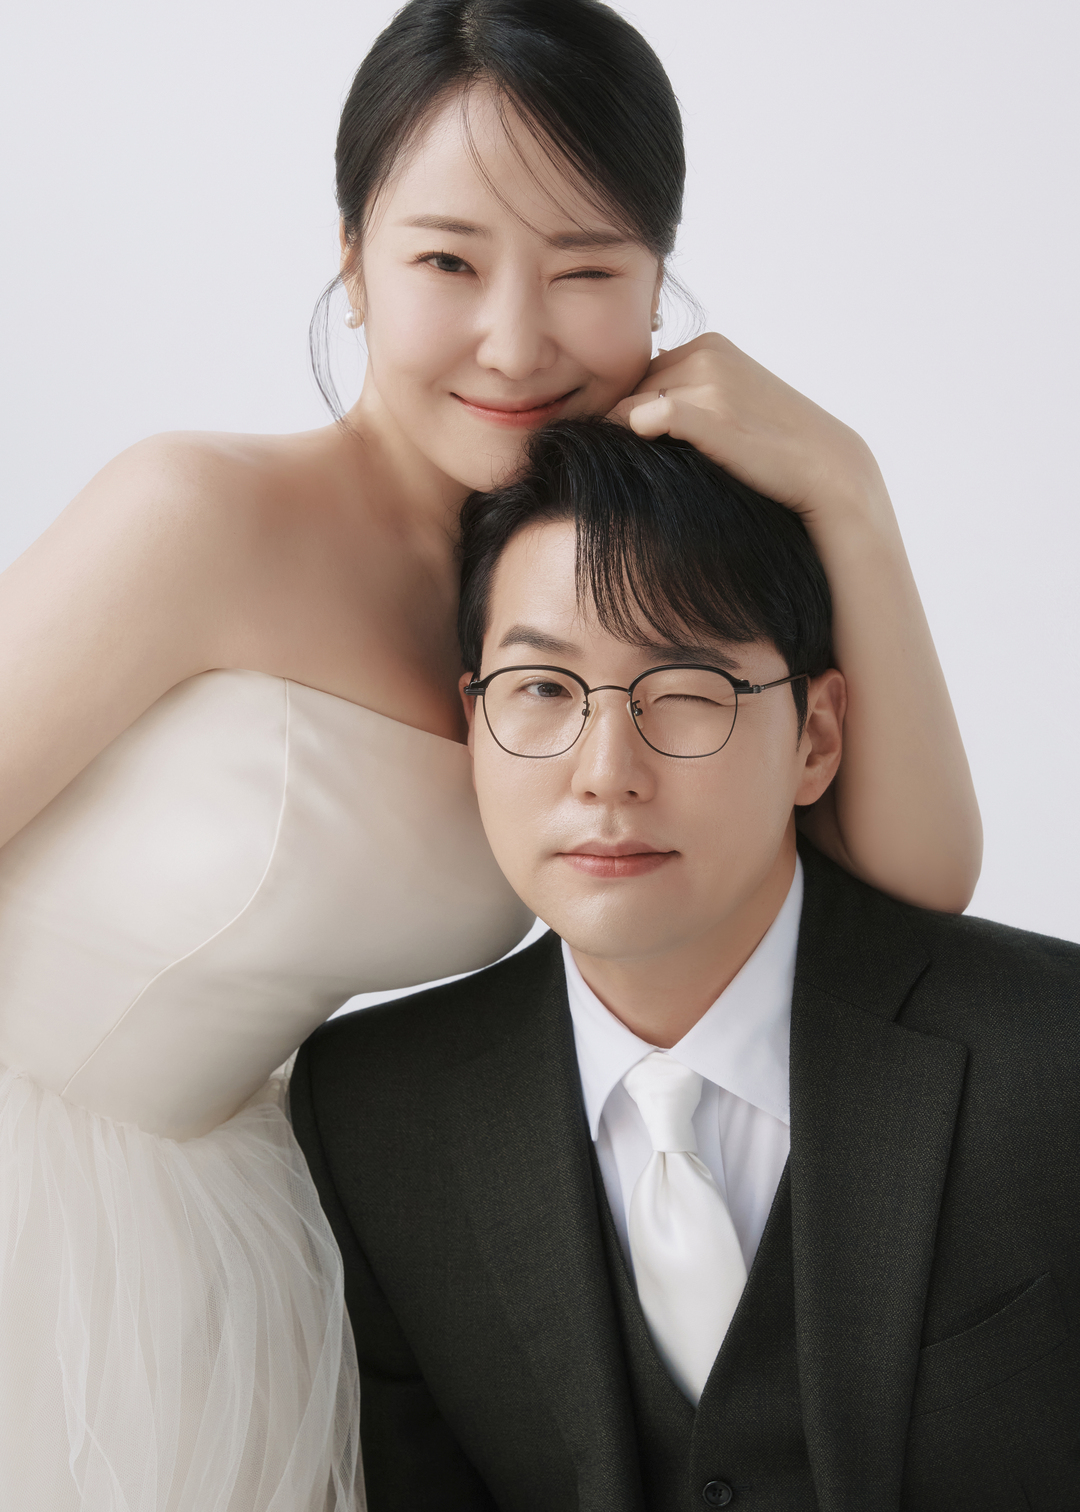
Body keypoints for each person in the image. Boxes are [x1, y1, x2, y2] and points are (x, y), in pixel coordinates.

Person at [0, 0, 980, 1506]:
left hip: (216, 1235)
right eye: (447, 263)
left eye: (586, 271)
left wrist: (848, 490)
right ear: (352, 264)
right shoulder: (195, 514)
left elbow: (914, 877)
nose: (517, 343)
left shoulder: (595, 585)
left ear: (661, 285)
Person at [291, 417, 1080, 1512]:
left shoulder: (1053, 1049)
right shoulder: (374, 1111)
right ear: (474, 722)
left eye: (687, 688)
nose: (606, 773)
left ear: (815, 738)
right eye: (543, 689)